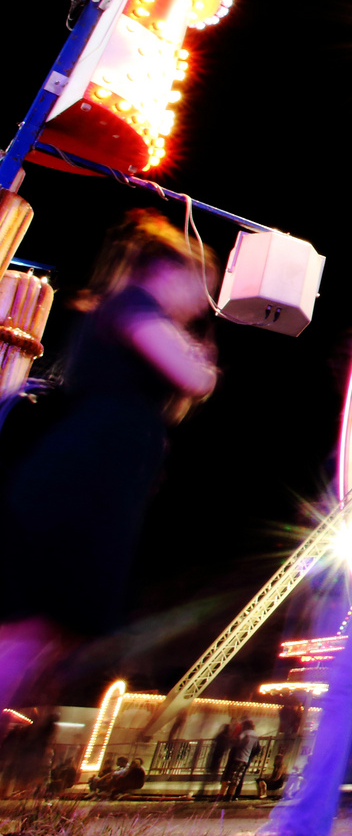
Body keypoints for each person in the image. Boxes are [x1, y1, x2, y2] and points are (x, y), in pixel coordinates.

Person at [0, 211, 218, 711]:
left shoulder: (128, 310)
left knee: (52, 627)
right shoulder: (133, 305)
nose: (199, 303)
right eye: (197, 285)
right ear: (166, 273)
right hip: (86, 478)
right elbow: (193, 378)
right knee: (37, 623)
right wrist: (202, 360)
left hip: (103, 478)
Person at [220, 718, 257, 799]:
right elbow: (256, 748)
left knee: (228, 776)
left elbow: (237, 742)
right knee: (236, 778)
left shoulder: (244, 734)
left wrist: (230, 740)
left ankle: (221, 795)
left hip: (237, 757)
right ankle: (230, 795)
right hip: (245, 759)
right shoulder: (255, 735)